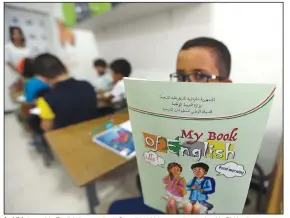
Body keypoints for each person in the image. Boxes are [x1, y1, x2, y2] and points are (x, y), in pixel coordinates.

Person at [109, 37, 232, 214]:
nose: (186, 86)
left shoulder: (229, 132)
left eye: (200, 76)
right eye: (181, 77)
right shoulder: (169, 117)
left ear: (224, 84)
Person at [34, 53, 97, 131]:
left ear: (42, 78)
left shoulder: (45, 99)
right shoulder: (87, 85)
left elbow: (47, 127)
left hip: (68, 139)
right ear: (65, 67)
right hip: (94, 132)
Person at [5, 27, 31, 111]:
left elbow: (28, 59)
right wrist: (18, 70)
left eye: (19, 33)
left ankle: (27, 111)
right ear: (11, 35)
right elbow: (8, 61)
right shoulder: (8, 47)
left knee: (26, 94)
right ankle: (19, 112)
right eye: (14, 33)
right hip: (14, 75)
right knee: (16, 95)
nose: (17, 35)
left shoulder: (25, 46)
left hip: (26, 74)